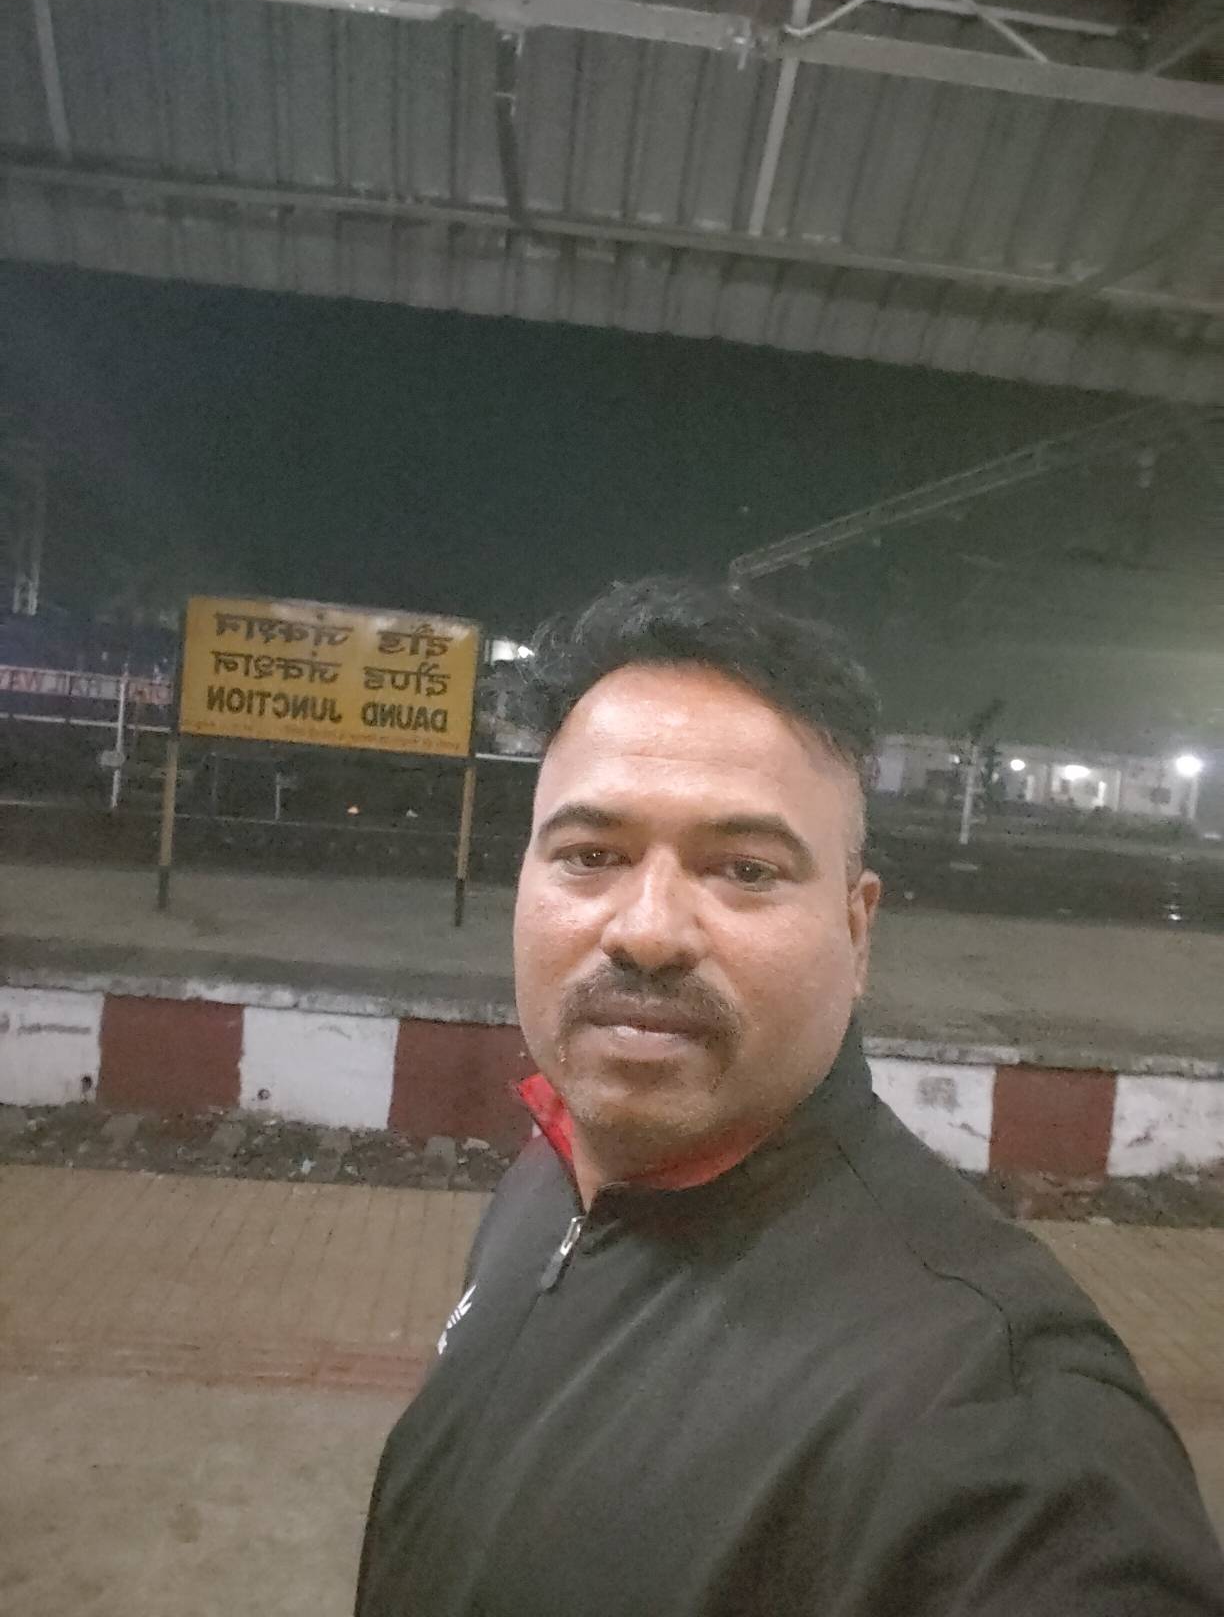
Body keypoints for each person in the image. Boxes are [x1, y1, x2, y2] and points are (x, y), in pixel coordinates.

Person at [356, 578, 1224, 1616]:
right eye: (590, 856)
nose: (647, 930)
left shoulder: (1009, 1441)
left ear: (857, 933)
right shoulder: (552, 1186)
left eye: (745, 870)